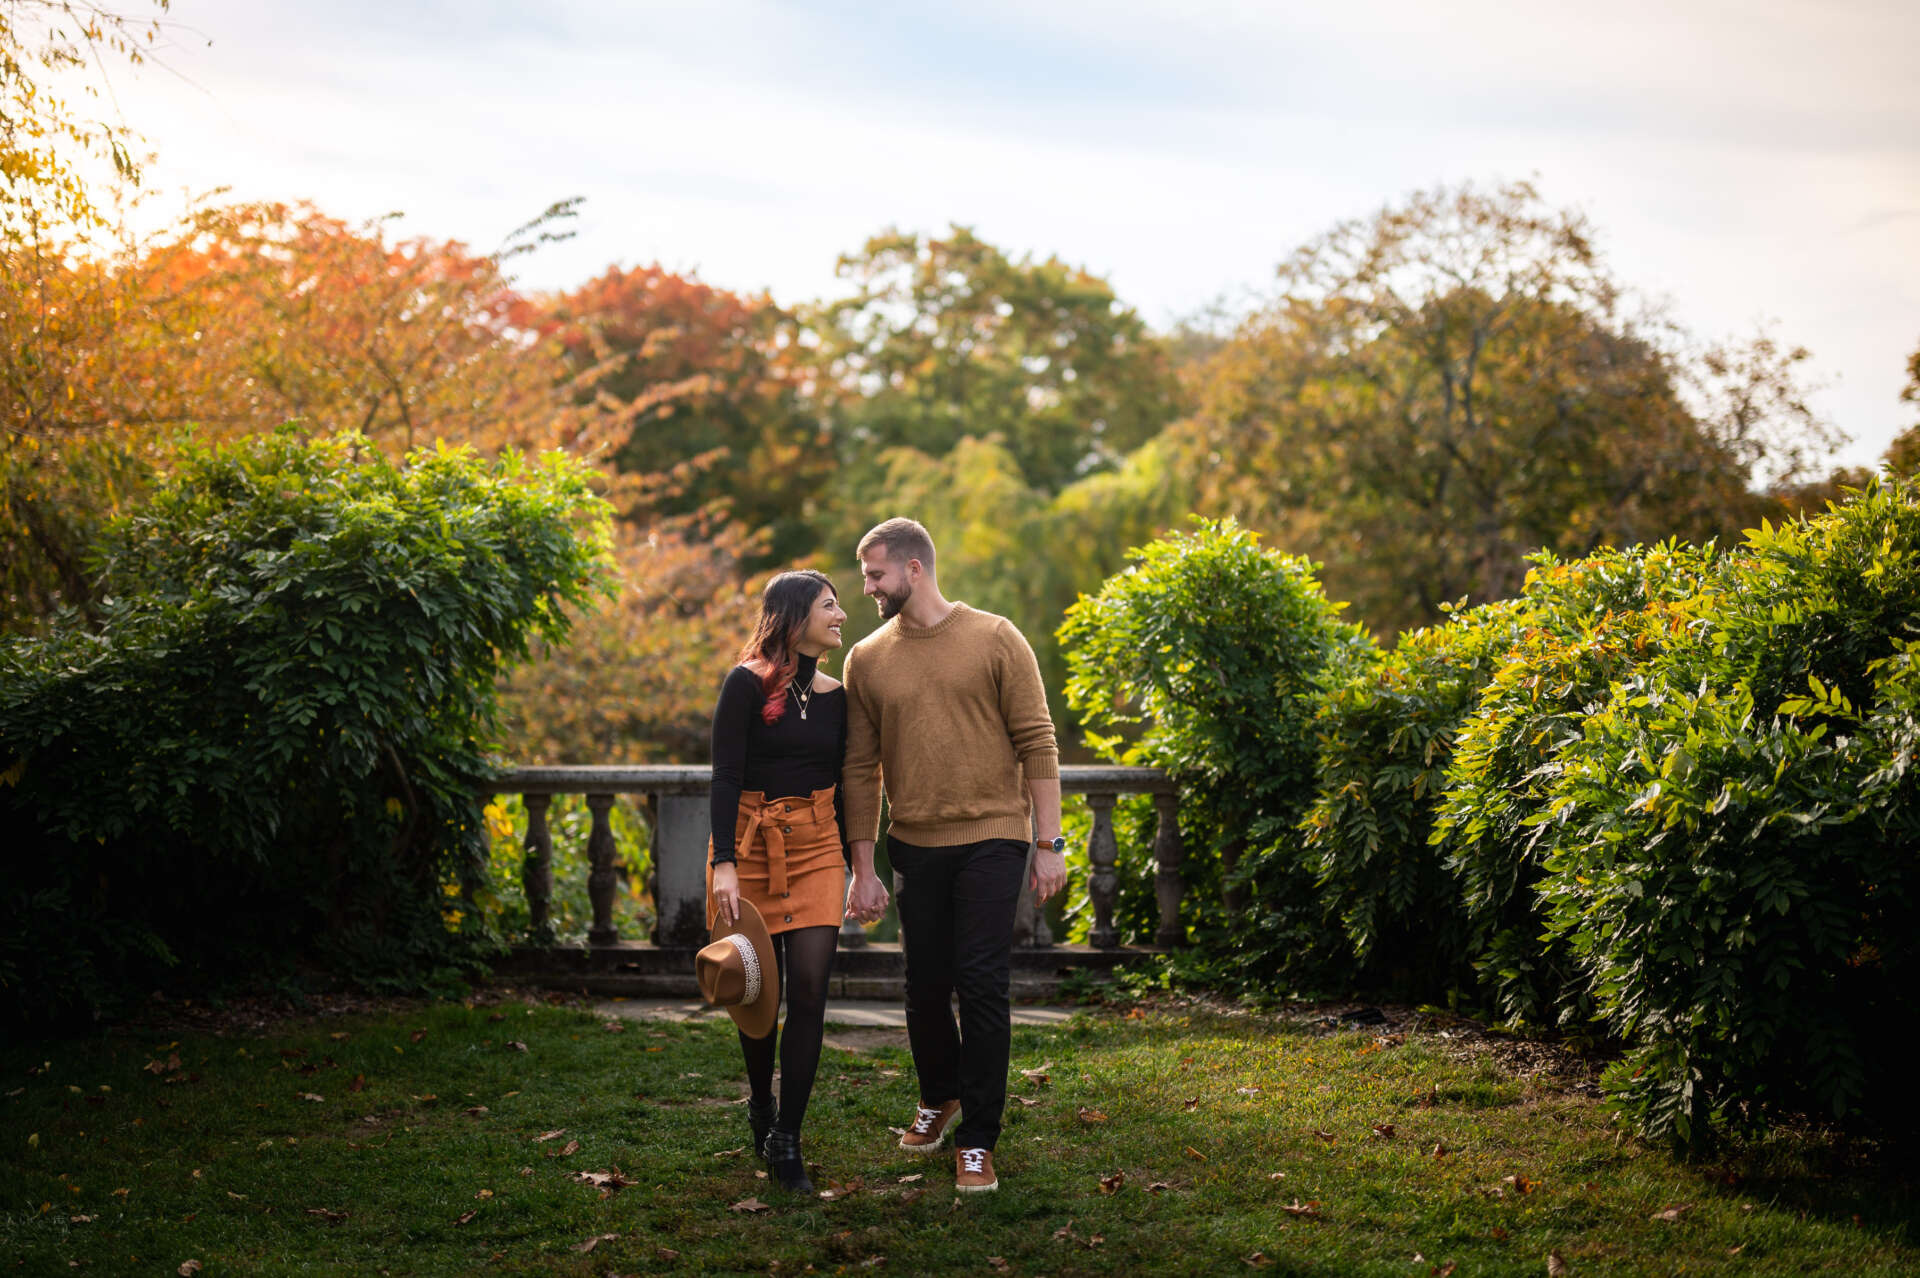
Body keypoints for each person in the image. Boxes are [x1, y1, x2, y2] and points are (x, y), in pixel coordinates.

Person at [840, 518, 1066, 1194]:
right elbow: (859, 769)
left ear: (914, 569)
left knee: (982, 982)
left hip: (994, 836)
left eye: (876, 574)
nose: (868, 588)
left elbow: (1038, 742)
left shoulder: (996, 637)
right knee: (924, 985)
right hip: (914, 841)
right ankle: (940, 1097)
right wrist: (862, 867)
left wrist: (1049, 844)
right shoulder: (866, 659)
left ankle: (978, 1140)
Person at [708, 569, 850, 1194]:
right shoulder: (743, 683)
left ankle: (787, 1136)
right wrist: (724, 864)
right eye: (829, 605)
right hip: (750, 846)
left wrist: (859, 866)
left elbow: (847, 782)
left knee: (811, 992)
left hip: (817, 846)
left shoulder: (838, 695)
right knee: (756, 989)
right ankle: (761, 1103)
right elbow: (724, 775)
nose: (840, 615)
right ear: (795, 618)